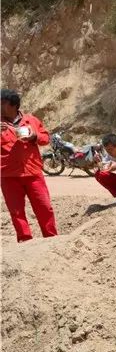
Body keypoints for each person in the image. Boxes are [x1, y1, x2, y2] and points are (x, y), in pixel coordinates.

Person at [0, 89, 58, 242]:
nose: (0, 105)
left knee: (44, 207)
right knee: (16, 212)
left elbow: (46, 138)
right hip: (9, 176)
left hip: (33, 173)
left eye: (3, 103)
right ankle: (25, 241)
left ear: (13, 105)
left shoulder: (31, 120)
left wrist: (34, 136)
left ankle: (51, 239)